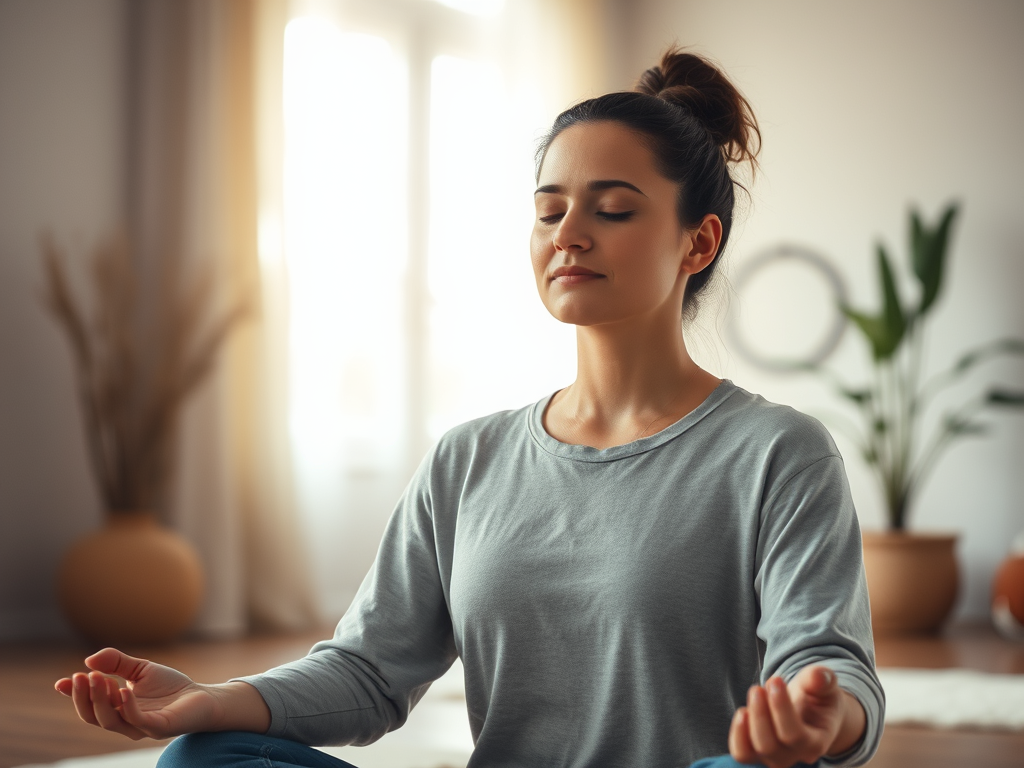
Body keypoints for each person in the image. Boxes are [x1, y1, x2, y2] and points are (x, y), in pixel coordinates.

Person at [55, 48, 884, 768]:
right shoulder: (469, 459)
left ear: (697, 243)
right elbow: (370, 673)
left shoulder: (778, 453)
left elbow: (832, 667)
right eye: (549, 209)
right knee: (206, 757)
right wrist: (212, 698)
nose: (569, 234)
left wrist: (817, 720)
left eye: (614, 208)